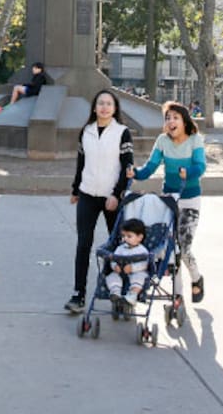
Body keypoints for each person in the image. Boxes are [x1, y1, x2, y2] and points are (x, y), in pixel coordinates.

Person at [129, 102, 207, 304]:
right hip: (170, 199)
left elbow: (200, 166)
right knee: (171, 248)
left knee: (184, 248)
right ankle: (177, 295)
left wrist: (188, 172)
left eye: (175, 118)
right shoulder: (162, 140)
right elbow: (151, 167)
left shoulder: (195, 140)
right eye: (167, 118)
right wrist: (135, 173)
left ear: (184, 121)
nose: (171, 121)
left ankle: (197, 278)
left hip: (190, 199)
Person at [66, 89, 134, 313]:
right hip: (87, 194)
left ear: (115, 108)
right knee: (83, 244)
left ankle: (121, 294)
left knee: (118, 248)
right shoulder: (86, 131)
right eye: (100, 103)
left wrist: (116, 194)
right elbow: (80, 163)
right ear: (94, 107)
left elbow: (127, 168)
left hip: (111, 198)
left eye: (109, 103)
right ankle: (78, 294)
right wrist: (76, 189)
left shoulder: (122, 132)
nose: (104, 107)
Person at [106, 218, 149, 306]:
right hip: (121, 272)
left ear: (140, 237)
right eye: (123, 236)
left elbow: (144, 264)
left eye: (129, 236)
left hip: (136, 272)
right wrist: (115, 266)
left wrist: (132, 268)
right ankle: (115, 292)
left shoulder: (142, 251)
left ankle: (133, 295)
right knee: (112, 276)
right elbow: (114, 258)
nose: (125, 239)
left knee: (140, 277)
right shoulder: (121, 248)